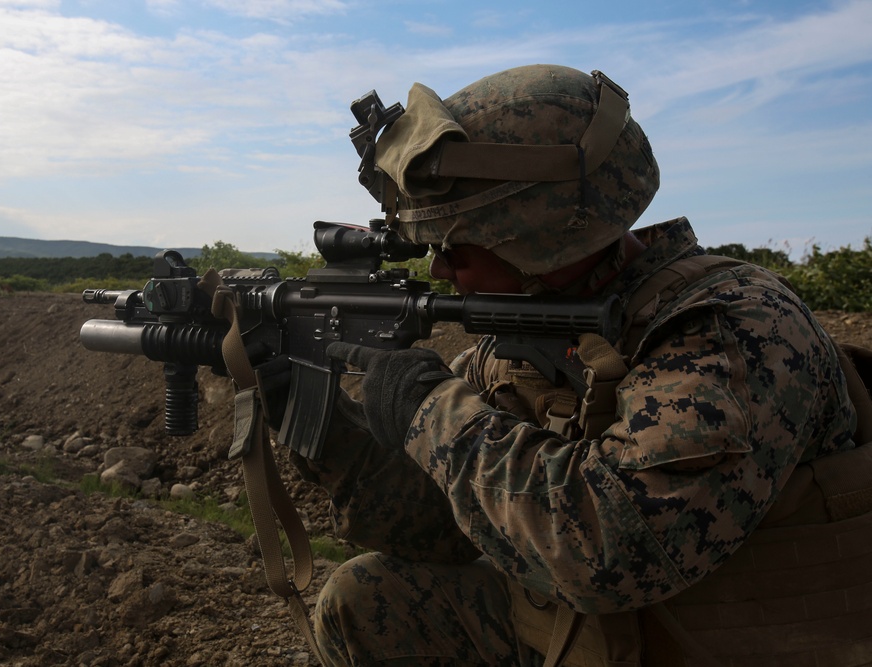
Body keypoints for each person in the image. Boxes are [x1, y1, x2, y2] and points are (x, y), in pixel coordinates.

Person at [291, 64, 872, 666]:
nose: (439, 272)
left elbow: (613, 552)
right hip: (599, 642)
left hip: (730, 641)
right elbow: (437, 533)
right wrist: (326, 427)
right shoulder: (524, 339)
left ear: (540, 236)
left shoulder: (738, 327)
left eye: (454, 248)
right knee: (367, 599)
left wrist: (433, 413)